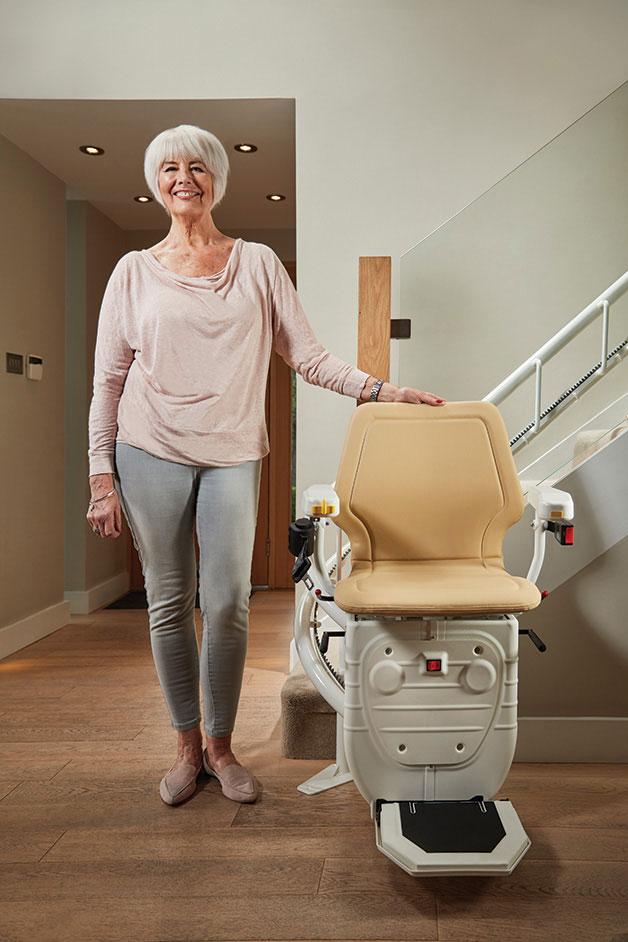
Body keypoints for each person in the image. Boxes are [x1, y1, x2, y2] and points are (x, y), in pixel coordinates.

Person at [86, 124, 447, 807]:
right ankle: (186, 747)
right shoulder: (132, 272)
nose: (183, 177)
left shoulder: (255, 262)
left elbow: (307, 356)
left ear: (218, 178)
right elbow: (108, 381)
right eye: (169, 168)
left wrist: (384, 390)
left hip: (231, 454)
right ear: (154, 181)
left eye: (198, 166)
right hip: (147, 448)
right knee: (169, 603)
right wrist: (101, 475)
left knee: (226, 603)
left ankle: (222, 750)